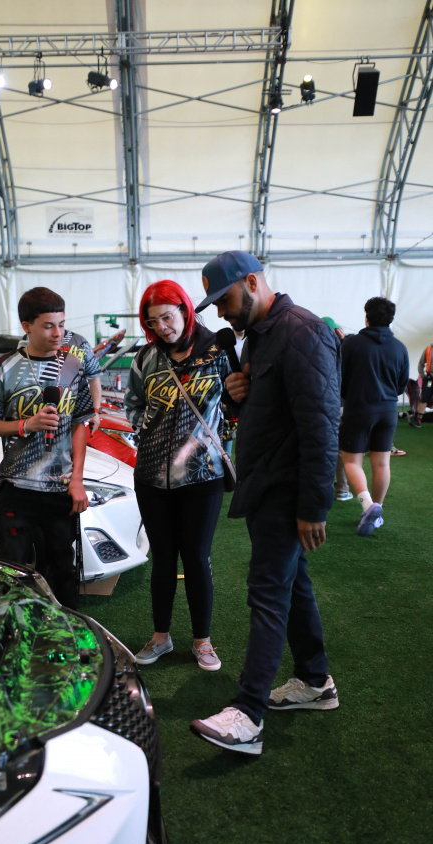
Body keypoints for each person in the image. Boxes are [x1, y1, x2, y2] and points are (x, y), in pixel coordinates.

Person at [189, 251, 340, 755]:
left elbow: (322, 426)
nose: (220, 312)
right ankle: (315, 681)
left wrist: (314, 506)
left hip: (285, 489)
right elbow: (270, 409)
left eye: (225, 299)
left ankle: (248, 715)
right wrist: (239, 395)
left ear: (252, 282)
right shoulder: (258, 335)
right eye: (214, 305)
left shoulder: (303, 332)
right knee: (293, 585)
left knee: (268, 593)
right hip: (264, 484)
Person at [124, 280, 231, 671]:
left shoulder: (218, 351)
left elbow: (235, 402)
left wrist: (217, 436)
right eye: (153, 322)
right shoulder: (146, 357)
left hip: (203, 475)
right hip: (151, 476)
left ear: (186, 310)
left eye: (167, 317)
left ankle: (203, 641)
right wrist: (149, 430)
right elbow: (133, 404)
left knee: (197, 558)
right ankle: (161, 637)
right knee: (163, 559)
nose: (162, 327)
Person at [0, 287, 93, 608]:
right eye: (49, 326)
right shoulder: (4, 367)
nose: (59, 333)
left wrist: (77, 480)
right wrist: (25, 425)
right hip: (18, 488)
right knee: (12, 569)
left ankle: (68, 627)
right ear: (27, 326)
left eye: (62, 324)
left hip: (60, 489)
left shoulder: (73, 365)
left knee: (63, 569)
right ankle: (13, 626)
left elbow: (80, 424)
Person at [339, 297, 409, 536]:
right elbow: (401, 385)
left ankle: (368, 505)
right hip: (388, 410)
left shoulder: (351, 344)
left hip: (358, 408)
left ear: (366, 317)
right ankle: (376, 512)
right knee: (382, 463)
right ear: (391, 319)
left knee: (351, 461)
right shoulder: (400, 347)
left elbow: (340, 379)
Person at [322, 316, 353, 502]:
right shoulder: (346, 349)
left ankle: (323, 487)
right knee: (342, 450)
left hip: (320, 407)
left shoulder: (313, 348)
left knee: (321, 447)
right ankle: (342, 488)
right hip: (341, 406)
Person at [409, 342, 433, 428]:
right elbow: (420, 364)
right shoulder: (428, 349)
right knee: (424, 399)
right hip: (429, 379)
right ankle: (418, 421)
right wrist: (423, 377)